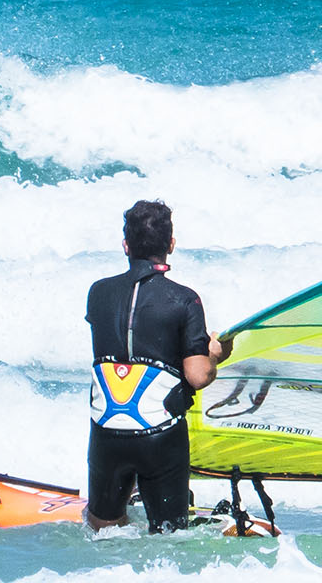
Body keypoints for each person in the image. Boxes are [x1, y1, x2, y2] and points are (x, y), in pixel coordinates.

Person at [84, 199, 226, 533]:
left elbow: (127, 346)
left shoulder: (98, 293)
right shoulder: (184, 299)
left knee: (103, 529)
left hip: (107, 432)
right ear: (171, 245)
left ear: (125, 245)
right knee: (168, 537)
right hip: (159, 437)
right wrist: (216, 353)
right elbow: (197, 374)